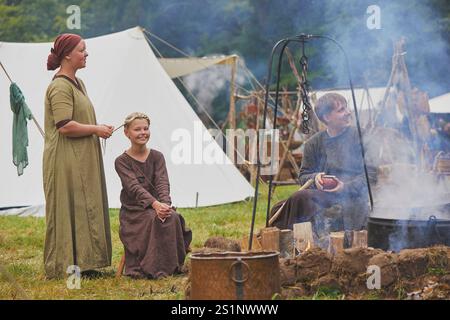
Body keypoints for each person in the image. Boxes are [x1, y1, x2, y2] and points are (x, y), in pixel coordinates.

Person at [43, 34, 114, 279]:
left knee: (85, 206)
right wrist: (96, 129)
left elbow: (79, 119)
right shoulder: (59, 87)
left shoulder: (78, 83)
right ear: (67, 55)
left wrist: (98, 127)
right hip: (65, 160)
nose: (86, 54)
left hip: (81, 158)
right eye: (82, 50)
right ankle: (65, 265)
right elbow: (64, 126)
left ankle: (86, 262)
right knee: (69, 207)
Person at [270, 93, 375, 241]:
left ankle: (292, 242)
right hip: (325, 196)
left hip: (352, 194)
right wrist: (315, 178)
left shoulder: (360, 137)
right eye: (341, 110)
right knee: (282, 206)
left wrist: (344, 187)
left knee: (299, 198)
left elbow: (371, 175)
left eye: (346, 108)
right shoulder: (314, 143)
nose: (348, 113)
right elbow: (303, 176)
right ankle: (295, 242)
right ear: (327, 117)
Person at [114, 112, 192, 279]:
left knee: (173, 217)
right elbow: (133, 188)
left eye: (146, 128)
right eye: (137, 129)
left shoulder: (157, 156)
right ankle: (151, 267)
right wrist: (155, 205)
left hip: (159, 206)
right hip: (135, 211)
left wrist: (165, 204)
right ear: (127, 132)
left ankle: (171, 266)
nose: (143, 132)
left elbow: (162, 183)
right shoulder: (121, 161)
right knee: (152, 219)